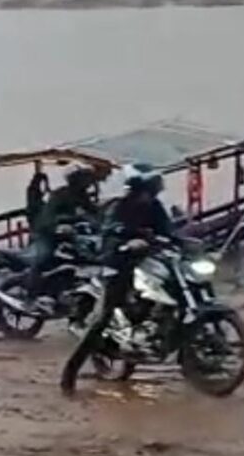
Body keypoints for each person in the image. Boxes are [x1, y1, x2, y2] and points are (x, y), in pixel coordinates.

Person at [60, 163, 174, 395]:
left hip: (147, 261)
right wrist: (129, 240)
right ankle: (69, 376)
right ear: (141, 185)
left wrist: (186, 242)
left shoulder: (155, 206)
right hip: (118, 262)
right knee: (104, 316)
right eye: (153, 184)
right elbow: (112, 229)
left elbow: (168, 231)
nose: (156, 188)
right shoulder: (120, 206)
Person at [25, 165, 99, 310]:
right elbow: (46, 218)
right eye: (84, 177)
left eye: (88, 178)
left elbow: (94, 213)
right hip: (48, 235)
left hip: (73, 237)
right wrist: (58, 226)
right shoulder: (60, 195)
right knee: (43, 257)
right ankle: (32, 297)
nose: (88, 181)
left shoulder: (83, 196)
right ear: (74, 179)